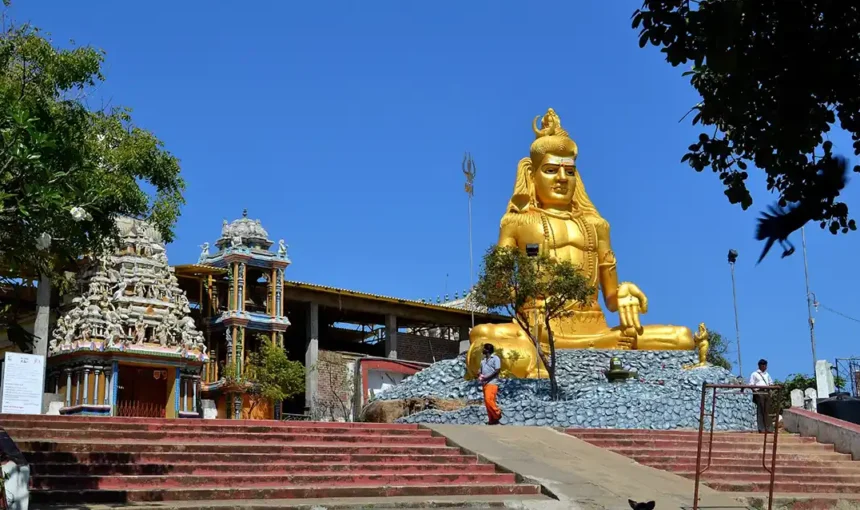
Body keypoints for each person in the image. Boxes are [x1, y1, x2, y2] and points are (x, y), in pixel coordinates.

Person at [478, 343, 502, 425]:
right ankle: (492, 420)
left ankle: (497, 413)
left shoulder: (495, 358)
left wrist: (487, 378)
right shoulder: (483, 361)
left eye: (484, 348)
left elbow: (497, 370)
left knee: (489, 400)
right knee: (487, 402)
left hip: (492, 382)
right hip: (484, 383)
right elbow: (480, 371)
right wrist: (479, 374)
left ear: (487, 350)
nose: (483, 350)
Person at [749, 358, 775, 433]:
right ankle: (762, 428)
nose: (764, 366)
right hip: (759, 392)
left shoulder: (767, 374)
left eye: (765, 365)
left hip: (767, 392)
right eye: (763, 365)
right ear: (759, 366)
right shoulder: (754, 374)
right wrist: (755, 392)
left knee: (767, 410)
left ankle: (769, 428)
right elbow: (751, 384)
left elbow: (771, 383)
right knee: (760, 410)